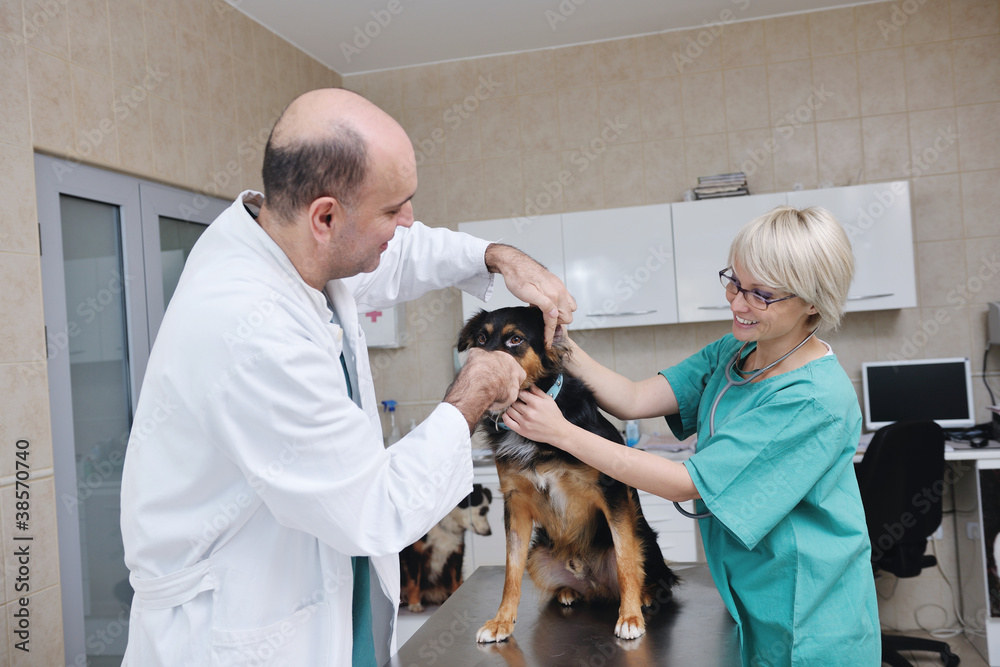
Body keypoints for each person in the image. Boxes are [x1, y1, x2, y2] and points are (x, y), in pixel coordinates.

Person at [119, 88, 575, 666]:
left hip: (330, 597)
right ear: (326, 216)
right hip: (246, 632)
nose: (407, 222)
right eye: (394, 209)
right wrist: (473, 390)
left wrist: (500, 256)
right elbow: (375, 508)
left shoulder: (298, 249)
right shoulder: (246, 326)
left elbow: (409, 252)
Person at [503, 206, 880, 666]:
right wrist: (552, 335)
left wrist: (561, 433)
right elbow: (634, 398)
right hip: (748, 589)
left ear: (814, 301)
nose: (738, 303)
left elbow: (685, 482)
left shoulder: (813, 398)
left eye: (761, 294)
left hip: (809, 610)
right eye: (735, 282)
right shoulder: (737, 351)